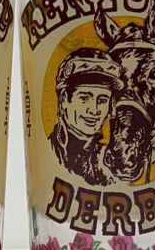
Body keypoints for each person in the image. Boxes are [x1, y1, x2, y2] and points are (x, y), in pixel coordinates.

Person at [49, 48, 122, 185]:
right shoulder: (47, 151)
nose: (94, 110)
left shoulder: (108, 160)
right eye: (84, 98)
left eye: (102, 100)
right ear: (64, 99)